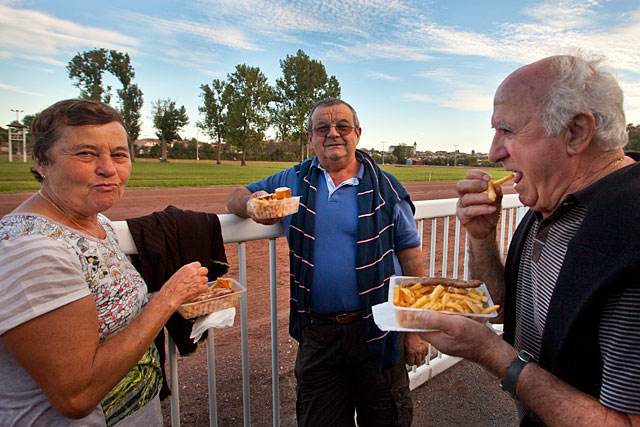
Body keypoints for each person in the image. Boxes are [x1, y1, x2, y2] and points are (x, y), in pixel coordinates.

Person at [417, 54, 640, 425]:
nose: (493, 152)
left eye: (507, 130)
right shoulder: (551, 205)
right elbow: (501, 308)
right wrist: (482, 238)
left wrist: (495, 355)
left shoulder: (629, 235)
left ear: (577, 133)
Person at [0, 99, 210, 426]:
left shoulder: (97, 223)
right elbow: (76, 396)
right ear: (42, 161)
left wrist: (174, 297)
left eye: (119, 154)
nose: (108, 168)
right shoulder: (31, 250)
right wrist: (168, 297)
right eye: (86, 153)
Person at [227, 98, 429, 426]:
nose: (333, 133)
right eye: (322, 128)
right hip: (319, 332)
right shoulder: (292, 181)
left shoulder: (388, 188)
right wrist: (252, 204)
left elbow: (410, 255)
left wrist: (415, 331)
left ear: (358, 134)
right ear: (310, 137)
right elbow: (235, 195)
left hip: (378, 330)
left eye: (342, 126)